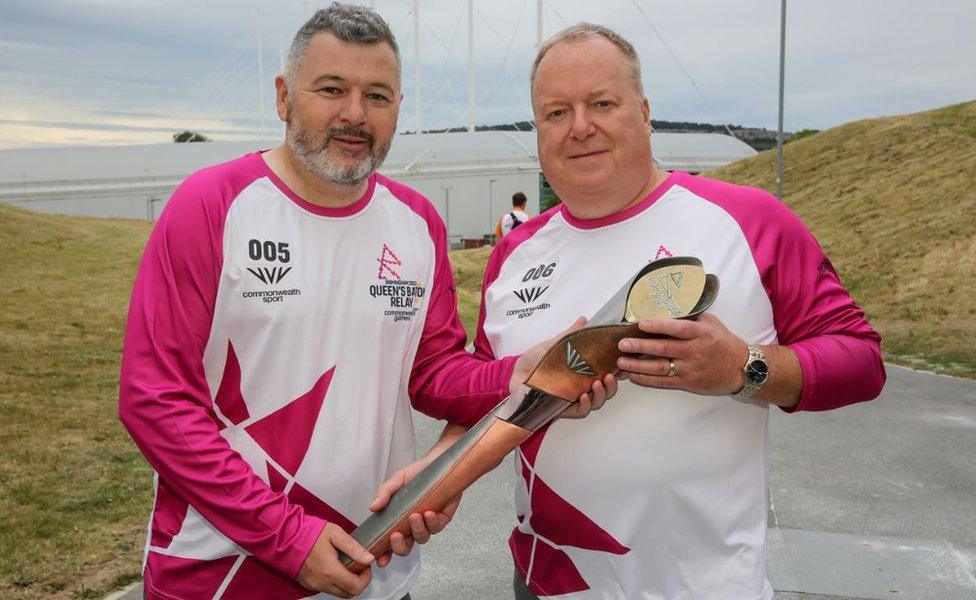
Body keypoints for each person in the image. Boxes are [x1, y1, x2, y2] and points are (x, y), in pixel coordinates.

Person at [118, 6, 613, 600]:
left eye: (377, 95)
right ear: (283, 97)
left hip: (373, 564)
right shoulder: (211, 206)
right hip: (220, 574)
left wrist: (517, 374)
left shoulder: (416, 222)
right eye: (332, 90)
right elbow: (155, 400)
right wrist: (286, 537)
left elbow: (431, 372)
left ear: (398, 106)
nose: (356, 114)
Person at [468, 23, 886, 599]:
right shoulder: (513, 256)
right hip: (551, 582)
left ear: (644, 111)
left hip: (710, 585)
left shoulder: (750, 221)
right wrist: (424, 492)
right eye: (556, 112)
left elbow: (862, 360)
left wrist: (745, 369)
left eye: (602, 103)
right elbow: (482, 401)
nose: (580, 127)